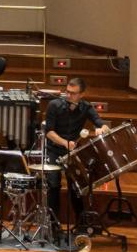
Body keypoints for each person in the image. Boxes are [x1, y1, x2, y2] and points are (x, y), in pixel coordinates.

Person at [43, 76, 102, 227]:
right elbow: (49, 131)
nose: (69, 96)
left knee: (76, 186)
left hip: (72, 153)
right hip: (55, 149)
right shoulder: (54, 105)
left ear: (81, 95)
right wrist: (65, 143)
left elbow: (100, 124)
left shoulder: (86, 107)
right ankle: (53, 224)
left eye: (73, 93)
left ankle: (80, 224)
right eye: (67, 92)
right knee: (53, 184)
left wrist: (101, 128)